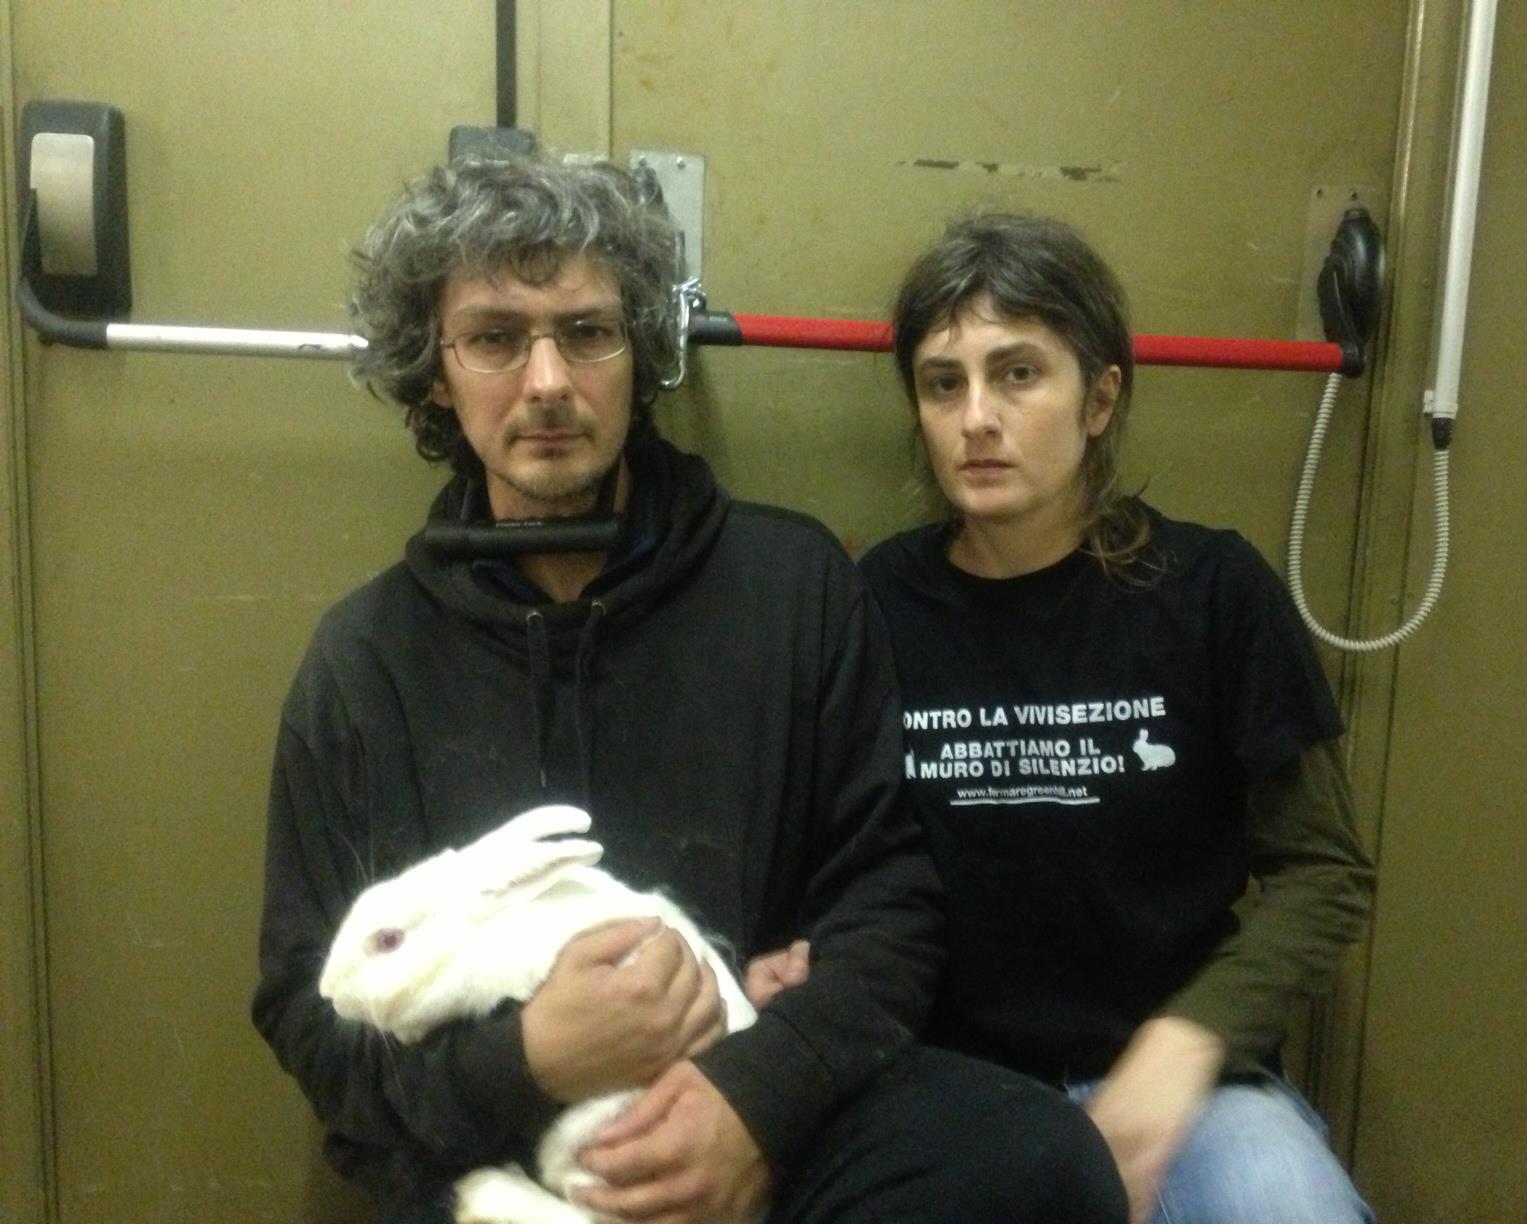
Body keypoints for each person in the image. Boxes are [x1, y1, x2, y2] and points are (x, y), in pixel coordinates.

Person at [250, 158, 1127, 1224]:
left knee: (1043, 1162)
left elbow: (890, 905)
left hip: (768, 1121)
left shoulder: (793, 585)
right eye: (494, 338)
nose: (547, 382)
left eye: (587, 332)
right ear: (436, 372)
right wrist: (529, 1062)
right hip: (501, 1154)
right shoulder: (363, 663)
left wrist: (754, 1103)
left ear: (642, 351)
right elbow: (307, 1015)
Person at [855, 213, 1377, 1223]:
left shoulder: (1212, 590)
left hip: (1191, 1084)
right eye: (943, 383)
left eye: (1018, 374)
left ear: (1100, 399)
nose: (976, 418)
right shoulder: (874, 602)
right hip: (950, 1082)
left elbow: (1325, 872)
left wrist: (1186, 1044)